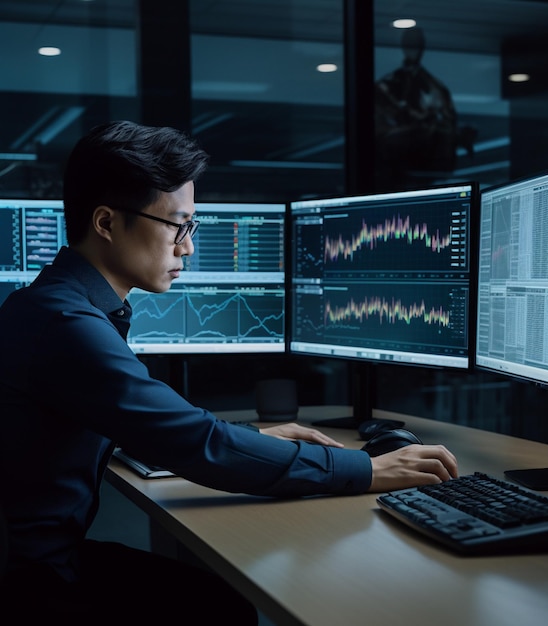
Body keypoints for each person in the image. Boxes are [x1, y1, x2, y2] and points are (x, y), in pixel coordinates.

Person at [0, 120, 458, 623]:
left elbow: (152, 430)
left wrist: (246, 439)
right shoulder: (66, 323)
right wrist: (368, 469)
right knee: (223, 609)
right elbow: (193, 443)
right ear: (107, 223)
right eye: (177, 226)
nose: (187, 247)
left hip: (36, 563)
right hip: (31, 583)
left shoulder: (54, 305)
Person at [375, 27, 476, 190]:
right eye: (409, 44)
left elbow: (448, 123)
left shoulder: (436, 88)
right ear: (403, 46)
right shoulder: (386, 86)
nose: (413, 49)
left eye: (416, 45)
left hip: (427, 169)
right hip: (397, 169)